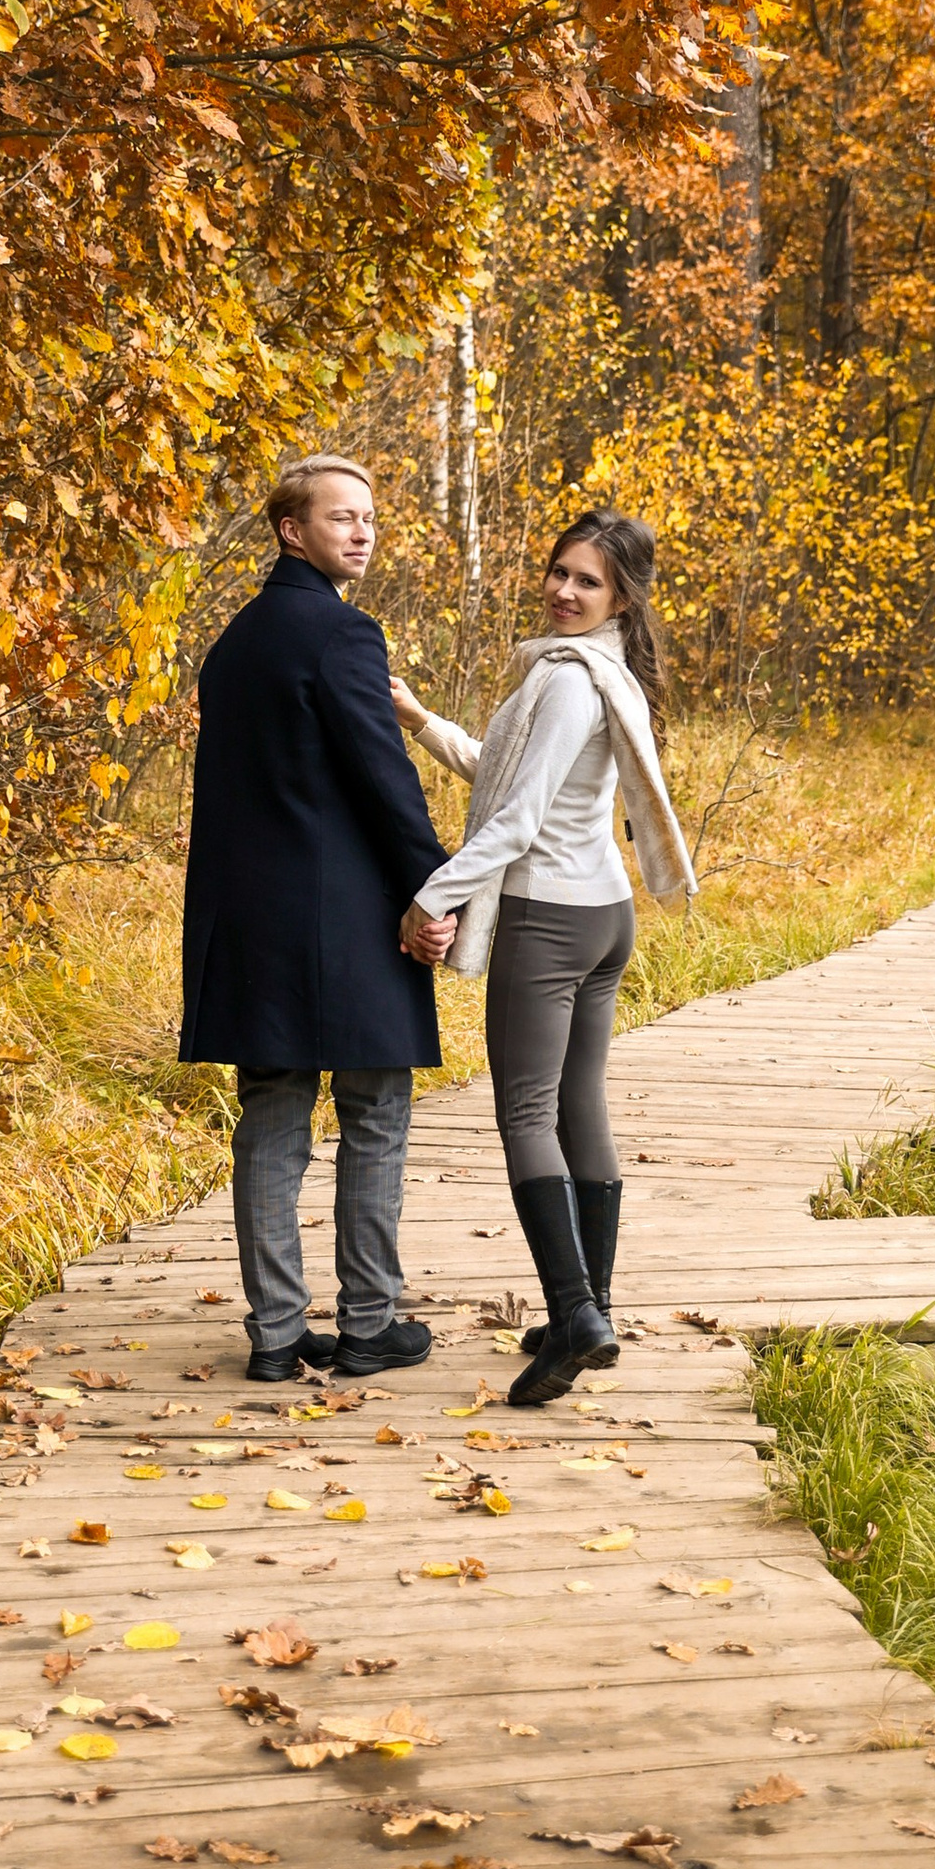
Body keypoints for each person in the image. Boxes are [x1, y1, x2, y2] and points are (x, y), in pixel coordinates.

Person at [390, 509, 695, 1408]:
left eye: (587, 581)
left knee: (526, 1111)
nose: (564, 590)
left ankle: (578, 1315)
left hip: (549, 917)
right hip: (604, 912)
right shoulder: (610, 673)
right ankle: (587, 1305)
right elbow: (508, 776)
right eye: (560, 572)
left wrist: (432, 893)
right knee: (577, 1105)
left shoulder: (565, 680)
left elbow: (515, 822)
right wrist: (421, 721)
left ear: (623, 596)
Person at [179, 455, 447, 1385]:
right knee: (374, 1111)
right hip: (347, 920)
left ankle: (276, 1335)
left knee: (273, 1118)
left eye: (369, 517)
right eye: (343, 518)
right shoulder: (343, 636)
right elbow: (383, 777)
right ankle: (370, 1323)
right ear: (293, 530)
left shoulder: (236, 642)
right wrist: (435, 885)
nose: (363, 532)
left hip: (252, 923)